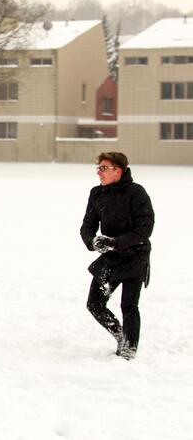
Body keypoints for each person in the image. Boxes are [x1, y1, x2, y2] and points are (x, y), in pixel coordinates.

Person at [80, 152, 154, 360]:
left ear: (118, 170)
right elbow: (87, 226)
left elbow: (144, 229)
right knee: (94, 304)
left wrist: (115, 242)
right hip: (110, 258)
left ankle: (129, 349)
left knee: (129, 305)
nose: (99, 173)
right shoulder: (97, 194)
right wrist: (92, 242)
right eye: (98, 168)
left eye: (103, 168)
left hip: (135, 255)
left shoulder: (137, 193)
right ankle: (120, 335)